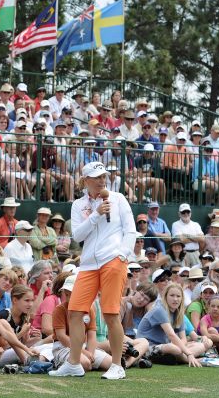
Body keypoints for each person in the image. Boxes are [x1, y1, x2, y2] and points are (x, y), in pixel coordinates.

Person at [51, 162, 136, 379]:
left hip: (113, 260)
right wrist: (96, 214)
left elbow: (130, 230)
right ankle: (73, 363)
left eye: (104, 176)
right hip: (88, 264)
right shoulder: (78, 205)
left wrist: (123, 255)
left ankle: (117, 366)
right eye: (97, 177)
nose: (102, 180)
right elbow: (78, 236)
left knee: (110, 313)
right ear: (85, 180)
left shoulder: (118, 199)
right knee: (75, 312)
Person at [49, 275, 112, 375]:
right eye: (67, 294)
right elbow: (61, 337)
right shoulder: (59, 310)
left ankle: (76, 363)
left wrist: (90, 353)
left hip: (83, 346)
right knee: (85, 363)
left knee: (110, 364)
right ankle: (62, 363)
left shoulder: (89, 310)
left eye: (71, 294)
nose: (68, 297)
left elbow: (92, 336)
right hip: (62, 346)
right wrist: (84, 353)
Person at [137, 282, 206, 366]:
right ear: (165, 296)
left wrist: (182, 348)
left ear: (182, 298)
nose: (175, 299)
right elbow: (171, 335)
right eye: (172, 295)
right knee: (174, 348)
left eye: (178, 296)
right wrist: (189, 354)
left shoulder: (178, 312)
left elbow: (183, 338)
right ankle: (186, 359)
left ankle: (177, 357)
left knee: (201, 346)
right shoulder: (160, 310)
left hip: (166, 346)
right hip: (146, 347)